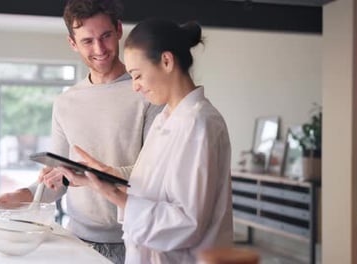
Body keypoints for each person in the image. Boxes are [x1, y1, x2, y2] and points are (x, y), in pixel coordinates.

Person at [48, 19, 234, 264]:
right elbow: (149, 190)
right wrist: (101, 177)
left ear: (166, 61)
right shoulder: (166, 121)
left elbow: (187, 225)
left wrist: (115, 196)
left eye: (137, 76)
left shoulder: (199, 124)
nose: (134, 87)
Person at [0, 1, 161, 263]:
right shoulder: (66, 102)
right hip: (77, 240)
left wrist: (91, 174)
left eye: (105, 36)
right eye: (87, 41)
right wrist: (21, 196)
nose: (99, 49)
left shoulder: (147, 93)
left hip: (135, 241)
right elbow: (58, 181)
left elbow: (155, 175)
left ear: (118, 30)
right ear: (72, 43)